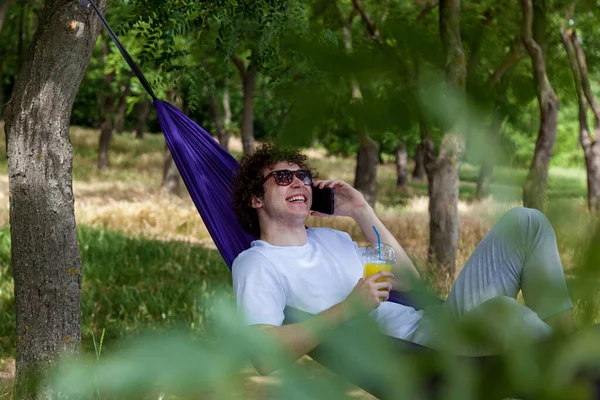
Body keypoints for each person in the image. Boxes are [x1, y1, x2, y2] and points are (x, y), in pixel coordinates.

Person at [231, 143, 574, 375]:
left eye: (303, 176)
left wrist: (360, 210)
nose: (299, 183)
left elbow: (410, 282)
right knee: (504, 313)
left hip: (438, 325)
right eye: (283, 177)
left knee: (527, 221)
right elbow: (262, 357)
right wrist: (349, 308)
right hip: (424, 357)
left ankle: (570, 348)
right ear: (255, 199)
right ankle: (578, 371)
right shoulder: (258, 263)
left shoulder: (334, 239)